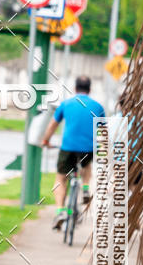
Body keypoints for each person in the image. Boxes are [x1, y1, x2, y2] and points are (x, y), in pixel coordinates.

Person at [42, 75, 105, 230]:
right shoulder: (98, 107)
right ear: (89, 90)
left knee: (61, 178)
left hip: (68, 148)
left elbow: (52, 125)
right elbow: (103, 131)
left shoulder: (65, 104)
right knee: (87, 165)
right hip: (88, 149)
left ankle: (60, 211)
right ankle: (84, 188)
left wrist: (46, 141)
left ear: (75, 88)